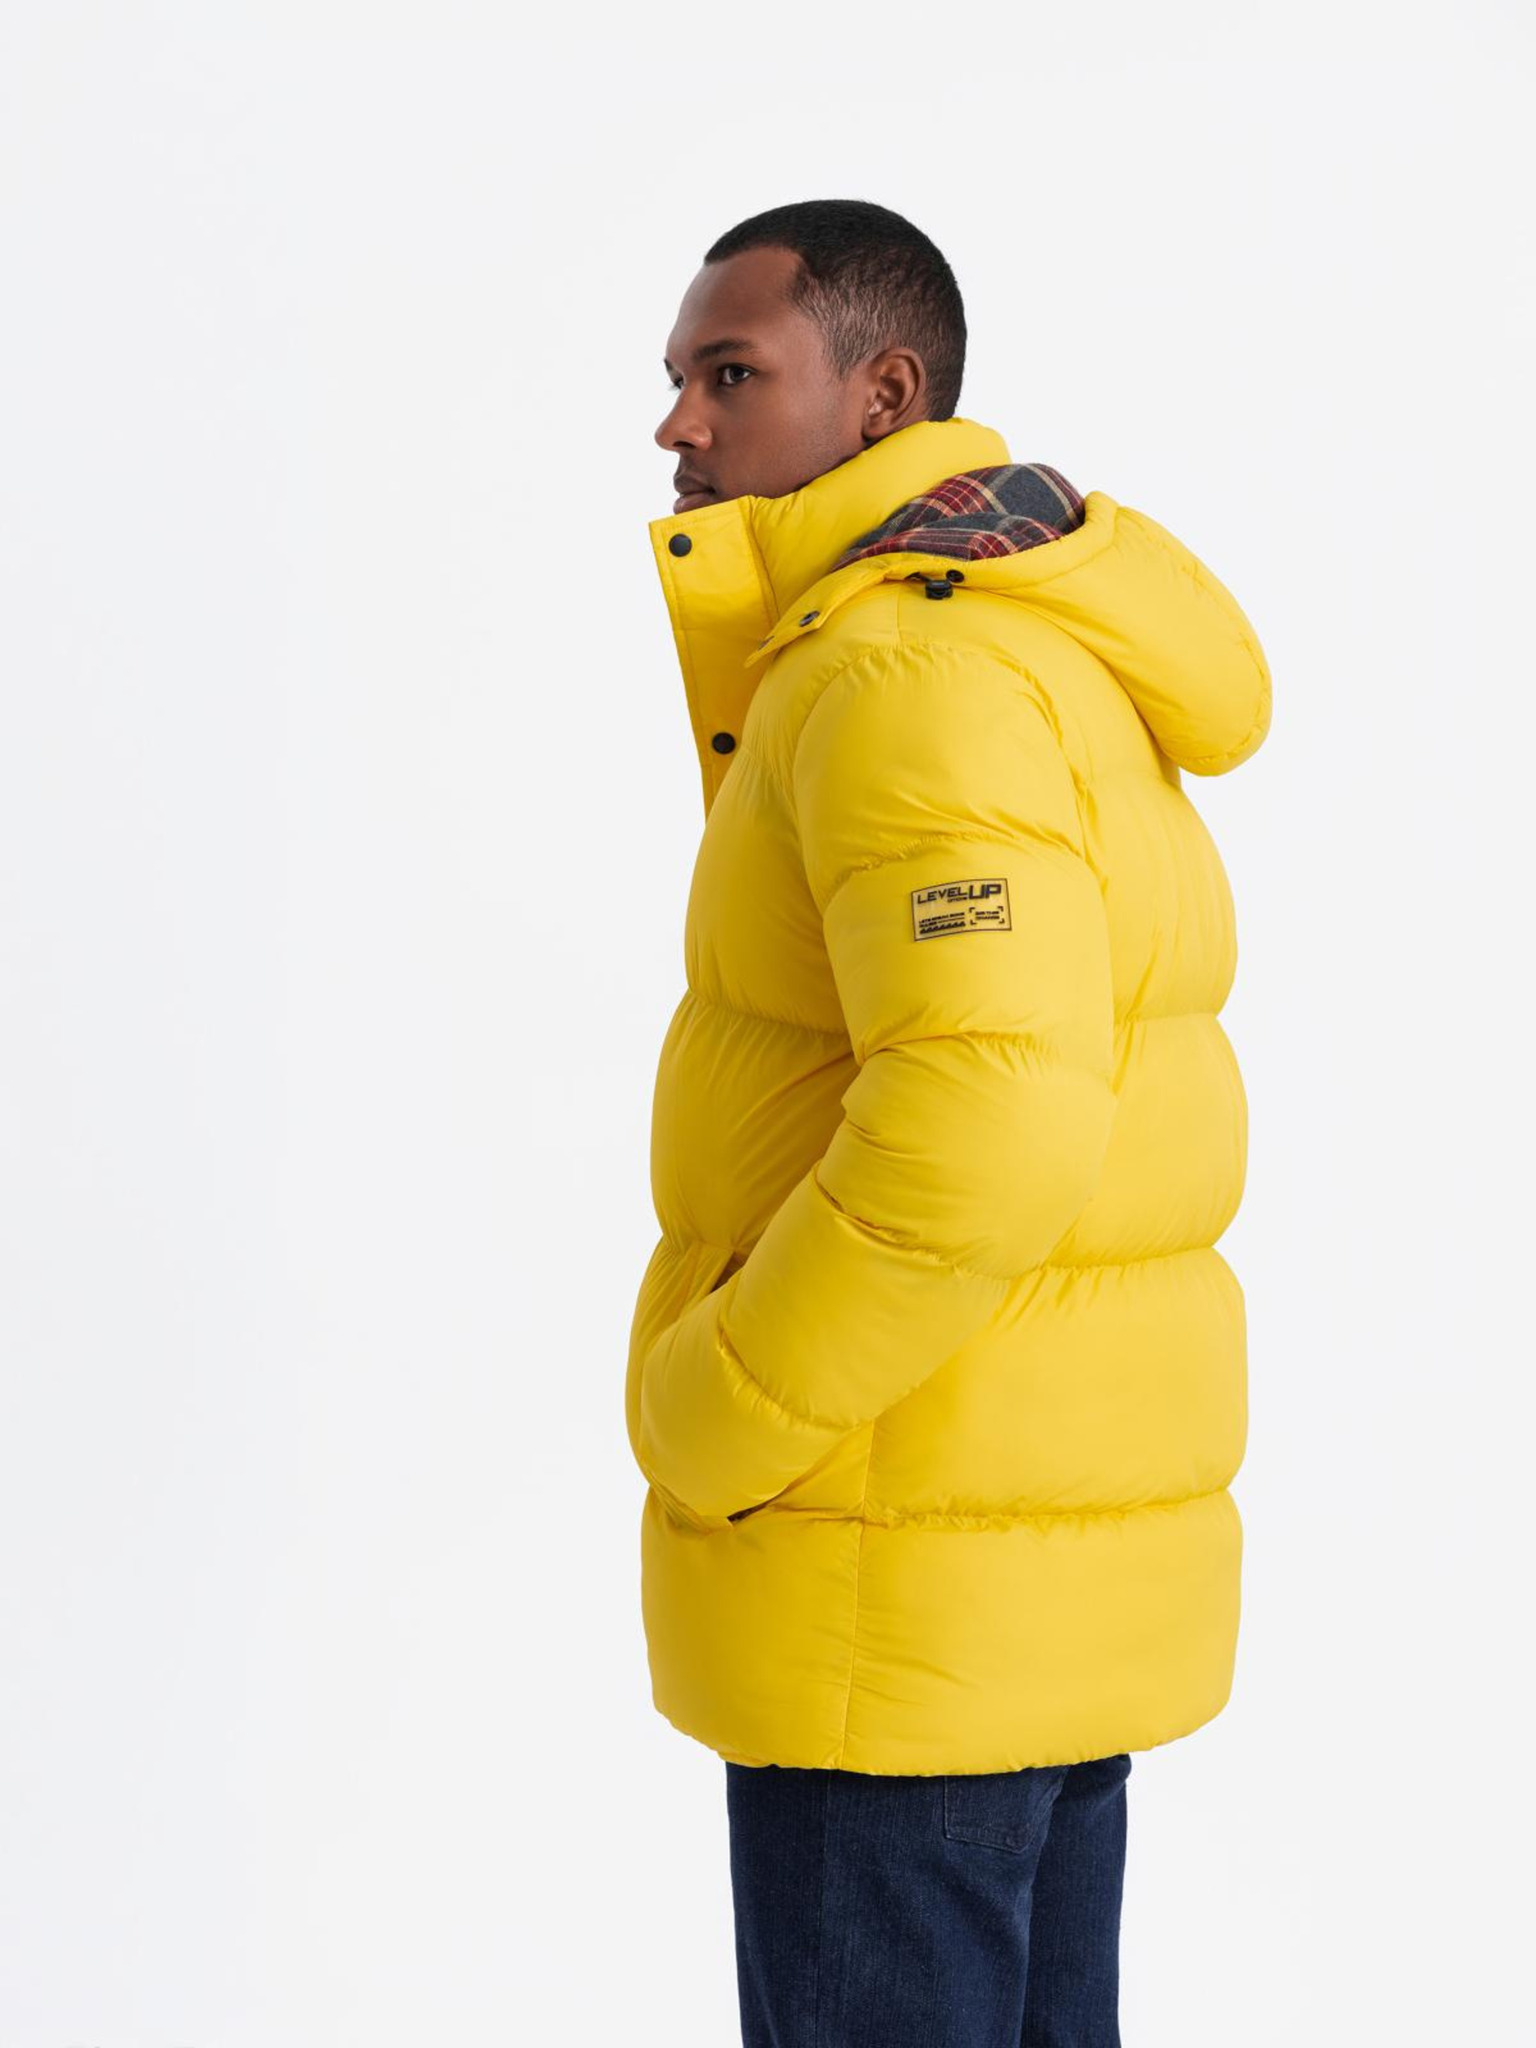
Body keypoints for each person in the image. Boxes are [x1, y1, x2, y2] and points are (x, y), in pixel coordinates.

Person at [626, 198, 1272, 2048]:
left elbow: (985, 1116)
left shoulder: (904, 673)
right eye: (675, 380)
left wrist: (723, 1405)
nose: (677, 423)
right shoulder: (1018, 639)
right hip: (1003, 1574)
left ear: (884, 393)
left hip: (892, 1575)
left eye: (728, 374)